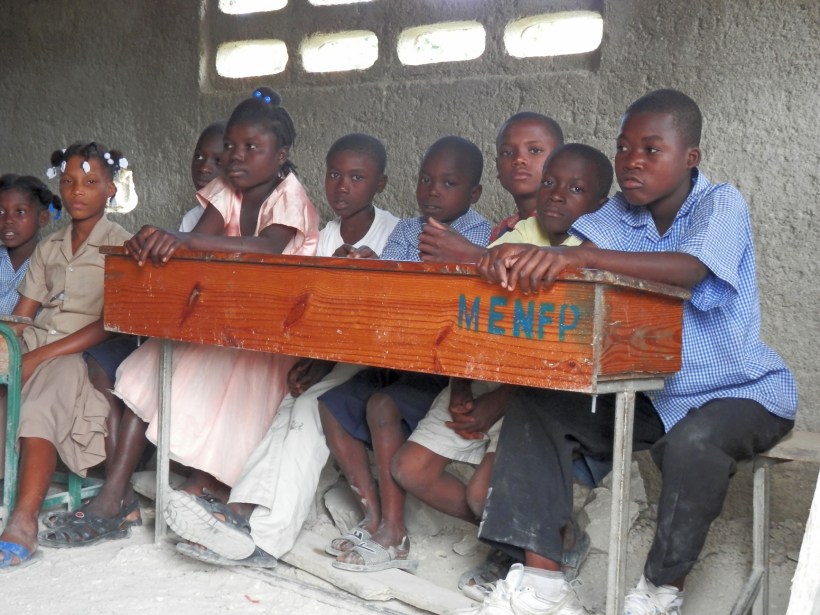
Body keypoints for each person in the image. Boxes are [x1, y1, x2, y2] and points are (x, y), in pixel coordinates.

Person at [467, 89, 797, 615]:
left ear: (690, 158)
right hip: (652, 391)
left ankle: (658, 592)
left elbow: (688, 269)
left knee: (696, 442)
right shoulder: (612, 216)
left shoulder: (720, 203)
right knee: (538, 405)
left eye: (651, 150)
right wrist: (512, 256)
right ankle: (540, 586)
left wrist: (575, 259)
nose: (632, 163)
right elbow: (573, 258)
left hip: (738, 393)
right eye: (624, 149)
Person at [39, 87, 320, 548]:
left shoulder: (291, 196)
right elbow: (197, 239)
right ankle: (115, 497)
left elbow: (265, 248)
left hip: (268, 335)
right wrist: (159, 244)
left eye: (252, 148)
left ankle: (209, 494)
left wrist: (182, 239)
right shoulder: (228, 190)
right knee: (145, 370)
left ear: (281, 154)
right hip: (221, 324)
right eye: (230, 145)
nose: (236, 157)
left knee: (223, 411)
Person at [165, 133, 399, 568]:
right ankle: (236, 513)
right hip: (326, 357)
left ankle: (262, 538)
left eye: (356, 177)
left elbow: (392, 314)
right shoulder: (321, 236)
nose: (342, 186)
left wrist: (374, 269)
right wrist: (314, 360)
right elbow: (309, 311)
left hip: (373, 363)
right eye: (333, 175)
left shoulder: (396, 234)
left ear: (380, 183)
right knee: (285, 404)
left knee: (309, 411)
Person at [392, 143, 613, 598]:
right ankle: (528, 537)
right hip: (483, 374)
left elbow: (562, 358)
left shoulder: (593, 251)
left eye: (575, 189)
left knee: (480, 495)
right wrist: (460, 385)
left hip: (532, 391)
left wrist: (497, 402)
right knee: (409, 470)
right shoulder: (512, 238)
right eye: (550, 182)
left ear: (599, 205)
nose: (556, 195)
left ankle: (530, 542)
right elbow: (467, 315)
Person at [318, 136, 492, 573]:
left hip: (444, 367)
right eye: (425, 180)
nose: (433, 191)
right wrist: (368, 262)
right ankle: (375, 516)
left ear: (473, 194)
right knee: (332, 407)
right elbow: (390, 283)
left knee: (381, 405)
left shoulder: (479, 237)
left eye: (448, 183)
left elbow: (461, 312)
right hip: (398, 357)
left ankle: (394, 533)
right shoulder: (406, 230)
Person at [0, 143, 132, 571]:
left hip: (82, 349)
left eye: (91, 183)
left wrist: (37, 358)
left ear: (110, 190)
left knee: (41, 399)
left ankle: (24, 521)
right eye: (70, 182)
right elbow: (24, 315)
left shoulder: (123, 246)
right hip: (39, 339)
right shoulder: (49, 246)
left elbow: (110, 322)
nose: (78, 192)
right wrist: (10, 341)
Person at [418, 112, 563, 263]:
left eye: (535, 150)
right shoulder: (502, 230)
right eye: (506, 152)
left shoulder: (566, 223)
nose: (519, 159)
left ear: (561, 160)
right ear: (498, 168)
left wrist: (470, 253)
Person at [0, 175, 53, 314]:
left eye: (20, 212)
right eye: (1, 212)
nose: (8, 220)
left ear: (42, 218)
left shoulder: (52, 262)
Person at [179, 121, 226, 232]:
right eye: (199, 156)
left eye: (218, 161)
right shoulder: (191, 219)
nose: (204, 168)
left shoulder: (252, 220)